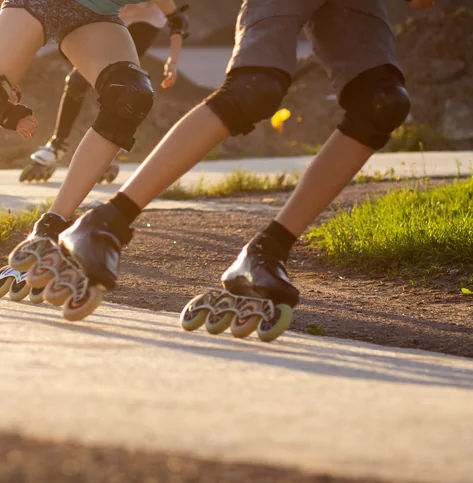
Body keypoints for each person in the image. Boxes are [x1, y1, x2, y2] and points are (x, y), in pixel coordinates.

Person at [10, 0, 434, 333]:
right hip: (44, 9)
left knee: (383, 104)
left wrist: (174, 38)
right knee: (255, 89)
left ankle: (265, 253)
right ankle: (103, 221)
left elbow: (175, 19)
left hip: (98, 20)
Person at [2, 0, 189, 303]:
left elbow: (177, 19)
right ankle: (55, 143)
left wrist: (175, 58)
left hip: (94, 16)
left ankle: (49, 229)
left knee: (130, 96)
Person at [19, 2, 182, 184]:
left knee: (121, 84)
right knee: (77, 80)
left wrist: (173, 62)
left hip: (146, 19)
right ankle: (58, 144)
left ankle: (107, 150)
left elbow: (178, 20)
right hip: (110, 12)